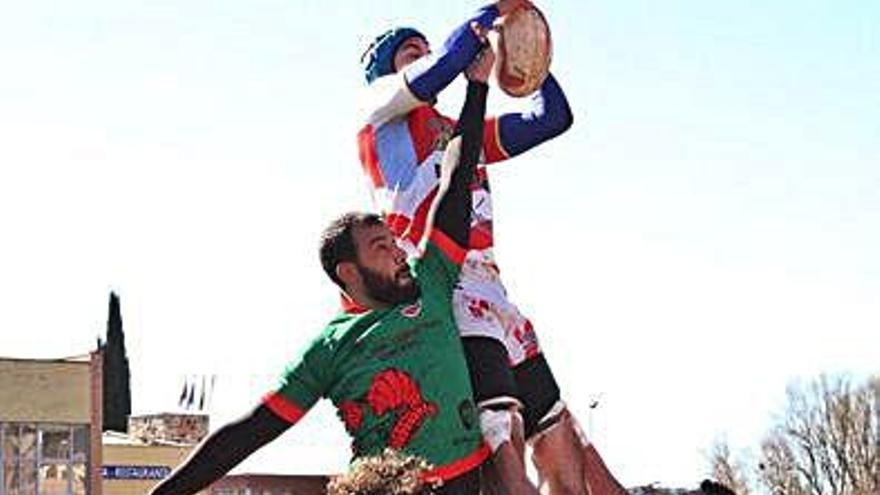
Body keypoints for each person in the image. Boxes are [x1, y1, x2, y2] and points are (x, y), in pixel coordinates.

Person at [149, 53, 502, 495]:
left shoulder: (430, 277)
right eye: (381, 248)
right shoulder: (330, 349)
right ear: (348, 273)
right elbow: (249, 432)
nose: (398, 254)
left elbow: (457, 175)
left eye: (394, 244)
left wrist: (477, 86)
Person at [356, 3, 606, 495]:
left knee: (558, 438)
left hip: (493, 291)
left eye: (425, 49)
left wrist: (529, 59)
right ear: (387, 68)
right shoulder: (378, 112)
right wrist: (500, 14)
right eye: (412, 52)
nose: (425, 56)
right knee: (500, 434)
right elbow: (451, 57)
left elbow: (552, 117)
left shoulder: (459, 129)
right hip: (441, 282)